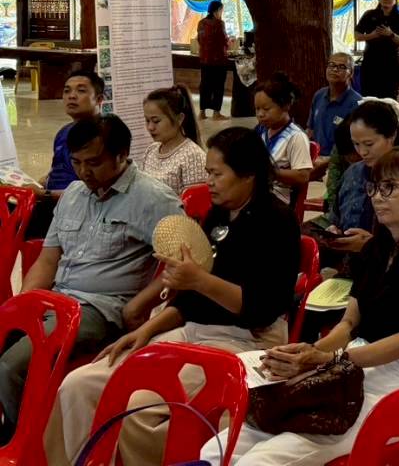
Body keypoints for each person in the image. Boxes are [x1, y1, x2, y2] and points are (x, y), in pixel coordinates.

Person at [46, 126, 301, 466]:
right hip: (191, 331)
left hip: (243, 342)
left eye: (217, 174)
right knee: (81, 383)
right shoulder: (219, 214)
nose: (208, 182)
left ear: (248, 175)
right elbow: (189, 302)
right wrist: (146, 331)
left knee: (137, 404)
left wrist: (200, 280)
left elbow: (262, 308)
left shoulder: (277, 222)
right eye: (208, 172)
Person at [201, 148, 399, 466]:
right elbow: (349, 324)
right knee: (215, 450)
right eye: (374, 187)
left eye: (389, 187)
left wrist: (331, 358)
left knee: (261, 462)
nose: (377, 197)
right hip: (350, 365)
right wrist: (311, 352)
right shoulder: (376, 249)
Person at [6, 116, 180, 437]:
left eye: (94, 163)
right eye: (76, 162)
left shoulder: (154, 199)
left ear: (121, 155)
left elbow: (183, 265)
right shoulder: (74, 193)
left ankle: (18, 445)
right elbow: (48, 259)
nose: (84, 172)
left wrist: (139, 305)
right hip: (56, 300)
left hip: (100, 310)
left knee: (12, 365)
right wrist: (26, 305)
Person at [313, 100, 399, 265]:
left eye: (369, 144)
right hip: (352, 266)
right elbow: (337, 216)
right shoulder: (353, 174)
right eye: (356, 144)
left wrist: (369, 245)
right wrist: (336, 231)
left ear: (392, 136)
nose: (362, 152)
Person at [27, 69, 104, 238]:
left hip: (78, 213)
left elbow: (95, 193)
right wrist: (43, 181)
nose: (72, 96)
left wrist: (45, 195)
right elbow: (59, 169)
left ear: (99, 99)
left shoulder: (101, 137)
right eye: (67, 91)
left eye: (81, 91)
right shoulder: (64, 131)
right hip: (52, 202)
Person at [253, 72, 313, 206]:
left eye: (266, 109)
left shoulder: (296, 137)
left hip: (278, 201)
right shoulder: (260, 130)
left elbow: (303, 176)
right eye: (257, 109)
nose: (260, 114)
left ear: (285, 106)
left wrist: (270, 172)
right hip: (257, 193)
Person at [137, 85, 206, 194]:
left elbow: (194, 201)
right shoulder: (151, 150)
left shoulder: (193, 156)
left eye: (156, 121)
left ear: (179, 119)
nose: (150, 127)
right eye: (147, 120)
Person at [305, 51, 361, 163]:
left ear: (351, 73)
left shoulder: (357, 103)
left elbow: (356, 145)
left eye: (341, 67)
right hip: (315, 158)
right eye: (331, 65)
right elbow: (310, 130)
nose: (335, 69)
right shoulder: (319, 95)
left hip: (340, 162)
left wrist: (328, 161)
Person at [354, 0, 399, 99]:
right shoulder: (369, 15)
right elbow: (357, 36)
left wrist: (391, 34)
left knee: (390, 98)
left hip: (391, 65)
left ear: (395, 0)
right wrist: (372, 35)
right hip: (371, 63)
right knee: (369, 98)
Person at [196, 0, 231, 120]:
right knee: (218, 86)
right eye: (221, 10)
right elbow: (223, 41)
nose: (221, 13)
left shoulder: (201, 23)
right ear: (217, 10)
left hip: (205, 60)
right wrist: (230, 42)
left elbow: (199, 39)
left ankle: (202, 113)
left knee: (205, 86)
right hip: (218, 61)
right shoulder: (219, 23)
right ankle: (216, 114)